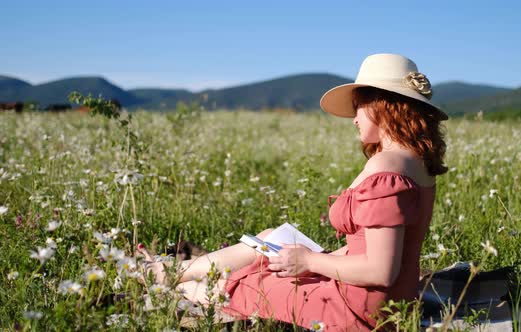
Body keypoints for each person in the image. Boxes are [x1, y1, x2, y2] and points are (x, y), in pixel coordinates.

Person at [137, 53, 448, 331]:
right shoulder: (415, 163)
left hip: (360, 308)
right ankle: (176, 273)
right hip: (392, 300)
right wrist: (313, 257)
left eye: (358, 108)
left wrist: (310, 262)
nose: (353, 118)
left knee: (249, 282)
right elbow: (381, 248)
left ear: (381, 105)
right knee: (271, 239)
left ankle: (177, 282)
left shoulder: (387, 167)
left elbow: (380, 270)